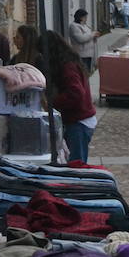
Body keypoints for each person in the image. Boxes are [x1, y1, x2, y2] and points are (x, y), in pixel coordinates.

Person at [42, 32, 97, 164]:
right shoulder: (69, 63)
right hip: (78, 121)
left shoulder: (68, 67)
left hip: (79, 123)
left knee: (76, 165)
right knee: (73, 163)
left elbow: (76, 93)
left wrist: (52, 103)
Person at [66, 9, 102, 75]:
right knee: (82, 74)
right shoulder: (74, 26)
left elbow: (89, 36)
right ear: (80, 17)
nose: (86, 19)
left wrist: (94, 36)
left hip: (89, 54)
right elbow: (81, 39)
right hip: (81, 54)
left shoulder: (85, 26)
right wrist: (92, 34)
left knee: (87, 74)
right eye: (85, 17)